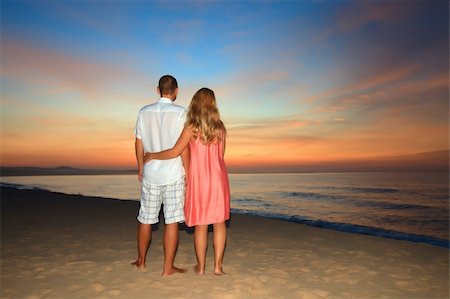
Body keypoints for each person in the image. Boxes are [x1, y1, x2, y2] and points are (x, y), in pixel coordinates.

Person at [144, 87, 230, 275]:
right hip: (217, 178)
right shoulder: (220, 127)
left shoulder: (191, 126)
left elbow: (175, 151)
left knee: (201, 224)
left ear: (195, 103)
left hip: (198, 179)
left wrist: (151, 155)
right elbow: (221, 156)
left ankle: (201, 268)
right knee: (219, 222)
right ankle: (217, 267)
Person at [132, 75, 189, 276]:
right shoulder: (181, 113)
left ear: (158, 90)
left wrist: (141, 167)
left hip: (150, 174)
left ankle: (141, 261)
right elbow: (183, 147)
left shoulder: (144, 112)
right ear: (176, 91)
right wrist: (188, 171)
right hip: (173, 173)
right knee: (171, 221)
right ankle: (167, 268)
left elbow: (138, 142)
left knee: (146, 218)